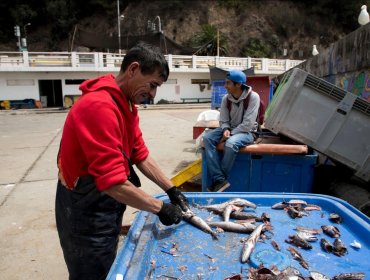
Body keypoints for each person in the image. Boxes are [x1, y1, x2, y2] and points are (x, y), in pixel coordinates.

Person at [55, 42, 190, 280]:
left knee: (107, 264)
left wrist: (171, 189)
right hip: (85, 210)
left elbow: (139, 152)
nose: (153, 94)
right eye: (152, 85)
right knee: (92, 271)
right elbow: (112, 183)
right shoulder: (99, 107)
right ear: (133, 69)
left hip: (107, 203)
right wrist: (160, 208)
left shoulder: (126, 104)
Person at [203, 69, 260, 192]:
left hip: (248, 132)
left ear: (238, 84)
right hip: (230, 129)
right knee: (207, 138)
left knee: (231, 144)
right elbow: (223, 120)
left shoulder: (253, 97)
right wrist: (226, 129)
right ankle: (220, 180)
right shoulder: (226, 99)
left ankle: (219, 180)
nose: (225, 86)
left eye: (228, 83)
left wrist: (230, 134)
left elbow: (248, 124)